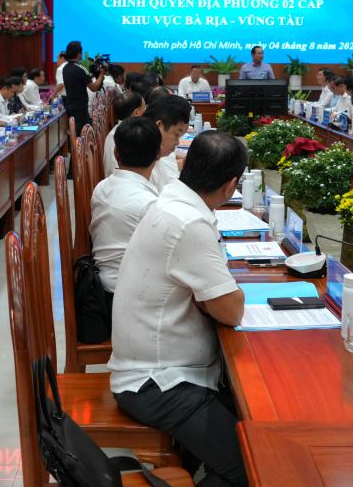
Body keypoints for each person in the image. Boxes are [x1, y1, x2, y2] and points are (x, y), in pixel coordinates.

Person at [109, 131, 249, 487]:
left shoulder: (172, 200)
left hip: (161, 367)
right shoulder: (188, 222)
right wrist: (213, 299)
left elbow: (211, 300)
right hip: (157, 382)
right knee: (251, 463)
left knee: (245, 414)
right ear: (231, 184)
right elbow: (231, 311)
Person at [91, 117, 162, 294]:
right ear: (159, 154)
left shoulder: (101, 187)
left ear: (116, 153)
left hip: (102, 286)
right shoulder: (148, 204)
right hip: (130, 295)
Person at [144, 95, 193, 191]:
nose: (177, 142)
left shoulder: (160, 150)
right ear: (159, 126)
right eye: (177, 134)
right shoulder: (141, 161)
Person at [62, 41, 106, 135]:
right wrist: (101, 74)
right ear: (78, 54)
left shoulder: (65, 68)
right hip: (80, 109)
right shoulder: (80, 69)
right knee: (84, 137)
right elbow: (94, 88)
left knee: (74, 135)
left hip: (69, 106)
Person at [103, 91, 147, 177]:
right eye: (144, 108)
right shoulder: (127, 137)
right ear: (136, 112)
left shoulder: (119, 130)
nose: (146, 111)